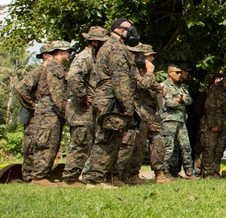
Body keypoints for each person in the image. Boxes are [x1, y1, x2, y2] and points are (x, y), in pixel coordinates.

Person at [82, 18, 139, 188]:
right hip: (111, 100)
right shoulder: (115, 48)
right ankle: (94, 179)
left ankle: (109, 178)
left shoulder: (112, 47)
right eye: (129, 29)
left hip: (110, 99)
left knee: (114, 139)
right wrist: (128, 105)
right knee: (106, 139)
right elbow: (120, 80)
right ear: (120, 30)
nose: (132, 33)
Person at [16, 41, 72, 184]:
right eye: (67, 51)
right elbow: (20, 88)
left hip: (44, 112)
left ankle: (33, 177)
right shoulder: (43, 70)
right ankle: (34, 177)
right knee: (41, 143)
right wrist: (32, 105)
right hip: (44, 112)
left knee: (43, 143)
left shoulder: (49, 69)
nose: (70, 54)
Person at [118, 44, 171, 184]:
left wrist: (159, 89)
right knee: (139, 144)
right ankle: (132, 174)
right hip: (137, 111)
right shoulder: (132, 69)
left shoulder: (148, 72)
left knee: (159, 141)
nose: (152, 58)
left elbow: (154, 87)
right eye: (149, 56)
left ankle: (159, 172)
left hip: (151, 111)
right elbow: (141, 85)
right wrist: (149, 74)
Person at [61, 26, 107, 184]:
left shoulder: (94, 58)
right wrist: (82, 97)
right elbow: (73, 76)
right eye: (101, 42)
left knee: (89, 143)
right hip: (82, 110)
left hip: (91, 109)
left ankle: (85, 177)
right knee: (80, 143)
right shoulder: (85, 56)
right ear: (94, 42)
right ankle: (69, 179)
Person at [162, 62, 198, 179]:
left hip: (181, 120)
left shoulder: (181, 87)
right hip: (169, 120)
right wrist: (178, 101)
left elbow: (189, 100)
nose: (179, 74)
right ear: (169, 73)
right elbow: (168, 103)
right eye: (176, 72)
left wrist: (180, 101)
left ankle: (189, 171)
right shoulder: (164, 86)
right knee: (169, 147)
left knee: (185, 146)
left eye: (180, 72)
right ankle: (165, 172)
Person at [201, 70, 226, 178]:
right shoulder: (214, 88)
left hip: (224, 121)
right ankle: (207, 173)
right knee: (209, 147)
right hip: (213, 120)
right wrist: (212, 124)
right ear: (225, 76)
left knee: (220, 149)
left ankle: (215, 171)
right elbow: (209, 107)